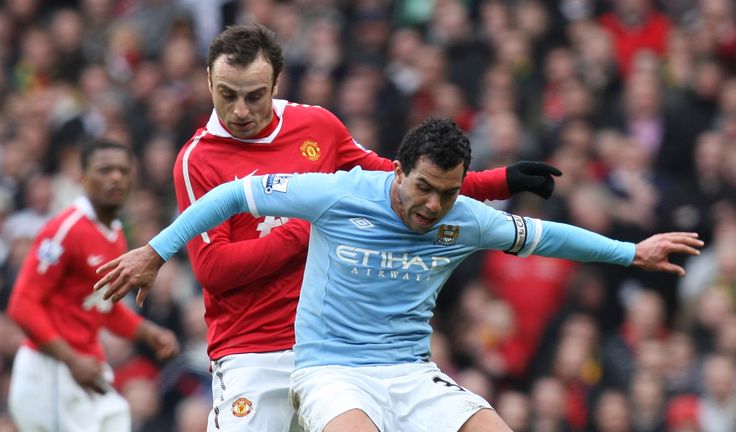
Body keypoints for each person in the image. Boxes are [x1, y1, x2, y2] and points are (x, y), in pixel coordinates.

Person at [95, 118, 703, 432]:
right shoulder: (337, 193)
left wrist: (631, 252)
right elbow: (231, 197)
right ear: (396, 172)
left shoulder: (466, 218)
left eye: (447, 192)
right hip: (332, 371)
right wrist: (157, 249)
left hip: (412, 373)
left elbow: (548, 238)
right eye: (423, 188)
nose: (433, 206)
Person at [168, 23, 561, 431]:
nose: (240, 111)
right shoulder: (198, 160)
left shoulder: (317, 126)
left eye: (254, 96)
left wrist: (497, 182)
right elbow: (214, 269)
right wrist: (308, 227)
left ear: (276, 83)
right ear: (209, 80)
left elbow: (398, 184)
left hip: (337, 355)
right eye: (226, 95)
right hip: (254, 352)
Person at [6, 140, 180, 432]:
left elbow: (103, 306)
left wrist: (149, 333)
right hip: (51, 367)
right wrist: (71, 359)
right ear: (83, 177)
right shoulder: (66, 229)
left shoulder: (114, 234)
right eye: (105, 170)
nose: (115, 177)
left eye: (123, 171)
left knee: (117, 419)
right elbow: (22, 306)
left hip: (83, 365)